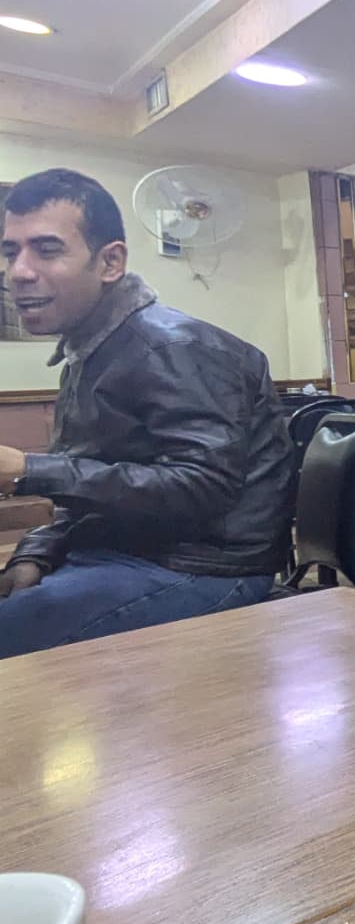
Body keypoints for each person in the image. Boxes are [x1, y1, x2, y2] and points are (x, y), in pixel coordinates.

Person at [0, 169, 292, 656]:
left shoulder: (174, 347)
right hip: (123, 551)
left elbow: (203, 486)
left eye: (47, 250)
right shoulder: (88, 354)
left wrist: (29, 470)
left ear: (109, 262)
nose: (20, 272)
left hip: (205, 568)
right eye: (11, 252)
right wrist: (35, 553)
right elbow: (87, 487)